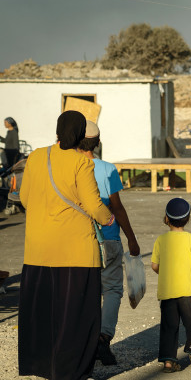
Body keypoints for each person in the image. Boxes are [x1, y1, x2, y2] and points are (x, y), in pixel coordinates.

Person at [18, 110, 114, 380]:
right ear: (81, 133)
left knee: (42, 313)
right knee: (76, 315)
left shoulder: (36, 156)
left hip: (37, 251)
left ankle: (41, 371)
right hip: (74, 252)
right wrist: (108, 218)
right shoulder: (81, 163)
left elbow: (24, 198)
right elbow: (95, 206)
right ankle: (71, 378)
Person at [77, 121, 141, 366]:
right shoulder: (107, 169)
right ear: (98, 143)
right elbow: (117, 207)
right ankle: (103, 338)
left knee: (86, 291)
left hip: (82, 240)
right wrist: (131, 239)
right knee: (112, 290)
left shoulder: (71, 167)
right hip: (110, 239)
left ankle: (83, 341)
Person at [151, 198, 191, 372]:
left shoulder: (161, 240)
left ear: (166, 218)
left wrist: (167, 273)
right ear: (188, 218)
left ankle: (168, 360)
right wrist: (190, 271)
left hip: (167, 291)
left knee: (169, 326)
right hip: (188, 291)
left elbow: (154, 266)